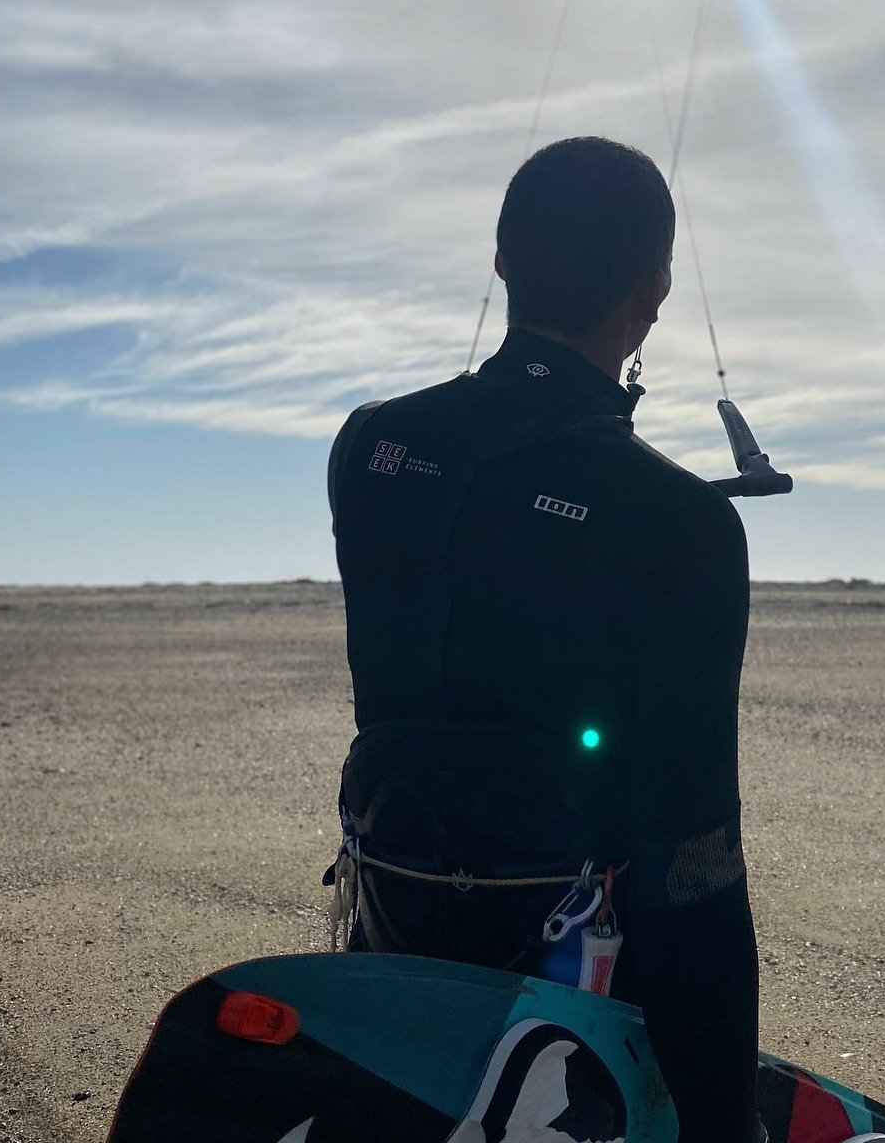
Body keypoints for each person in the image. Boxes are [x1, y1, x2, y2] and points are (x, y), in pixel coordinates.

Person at [327, 136, 761, 1143]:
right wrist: (725, 1121)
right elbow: (691, 863)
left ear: (502, 260)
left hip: (393, 935)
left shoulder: (366, 450)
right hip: (577, 989)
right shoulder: (683, 522)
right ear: (652, 293)